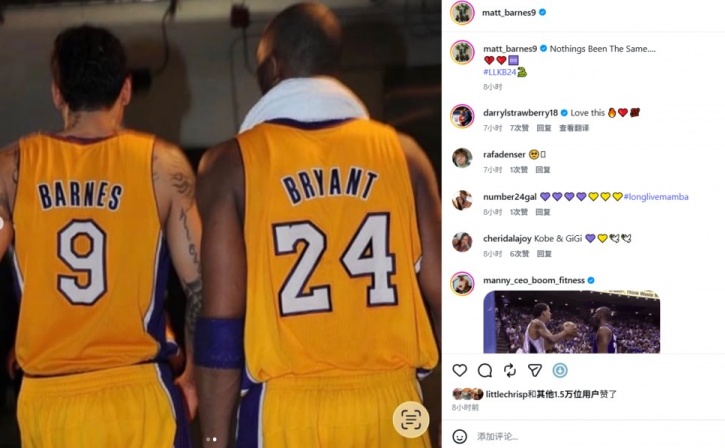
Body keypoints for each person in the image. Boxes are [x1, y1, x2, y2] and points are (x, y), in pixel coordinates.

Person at [194, 3, 441, 447]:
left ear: (272, 68)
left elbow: (221, 325)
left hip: (287, 410)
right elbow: (452, 296)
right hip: (394, 405)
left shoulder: (231, 163)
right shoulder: (404, 156)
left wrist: (213, 441)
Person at [0, 25, 200, 447]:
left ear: (57, 93)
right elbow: (202, 288)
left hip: (50, 399)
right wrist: (195, 377)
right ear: (125, 89)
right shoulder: (162, 165)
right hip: (138, 394)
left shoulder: (11, 169)